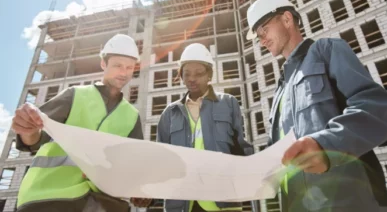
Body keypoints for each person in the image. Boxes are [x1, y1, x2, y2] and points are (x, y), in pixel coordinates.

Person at [246, 0, 387, 212]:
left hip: (351, 203)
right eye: (258, 37)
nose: (262, 40)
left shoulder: (327, 50)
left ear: (287, 19)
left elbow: (377, 108)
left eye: (263, 30)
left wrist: (326, 145)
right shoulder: (280, 90)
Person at [12, 34, 152, 212]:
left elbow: (132, 166)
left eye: (129, 67)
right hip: (50, 197)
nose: (124, 72)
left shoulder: (132, 116)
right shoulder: (74, 95)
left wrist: (139, 190)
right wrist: (28, 128)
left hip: (103, 204)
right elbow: (34, 139)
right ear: (103, 64)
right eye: (117, 65)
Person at [157, 43, 253, 212]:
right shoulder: (169, 114)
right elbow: (161, 162)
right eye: (186, 74)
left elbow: (240, 149)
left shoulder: (229, 103)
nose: (192, 79)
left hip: (223, 203)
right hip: (182, 205)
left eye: (199, 74)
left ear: (209, 74)